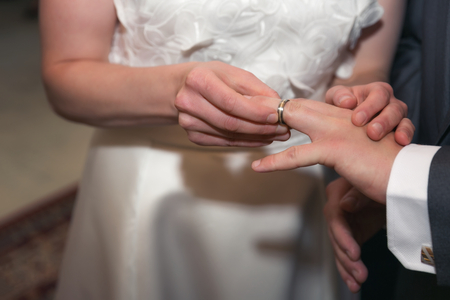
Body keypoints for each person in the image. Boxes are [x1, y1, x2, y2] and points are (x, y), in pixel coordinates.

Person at [39, 0, 409, 299]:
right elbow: (65, 75)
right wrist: (172, 91)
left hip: (303, 186)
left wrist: (361, 100)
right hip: (153, 189)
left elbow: (367, 65)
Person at [252, 0, 450, 296]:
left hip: (308, 190)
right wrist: (383, 127)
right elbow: (419, 46)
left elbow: (371, 61)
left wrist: (407, 176)